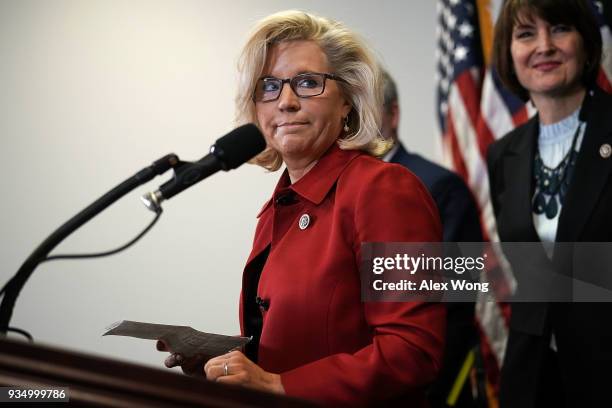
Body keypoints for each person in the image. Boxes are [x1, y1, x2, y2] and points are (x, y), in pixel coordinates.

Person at [159, 10, 446, 407]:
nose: (287, 102)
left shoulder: (383, 190)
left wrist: (279, 385)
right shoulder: (276, 209)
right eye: (270, 86)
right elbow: (296, 347)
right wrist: (234, 364)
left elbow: (413, 351)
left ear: (347, 101)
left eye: (308, 83)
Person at [488, 0, 612, 406]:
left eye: (559, 29)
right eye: (526, 34)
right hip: (532, 373)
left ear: (585, 42)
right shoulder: (502, 154)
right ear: (509, 52)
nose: (544, 45)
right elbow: (525, 266)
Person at [380, 69, 482, 408]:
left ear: (392, 115)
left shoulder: (440, 187)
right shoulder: (333, 191)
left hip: (421, 391)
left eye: (363, 110)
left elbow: (455, 300)